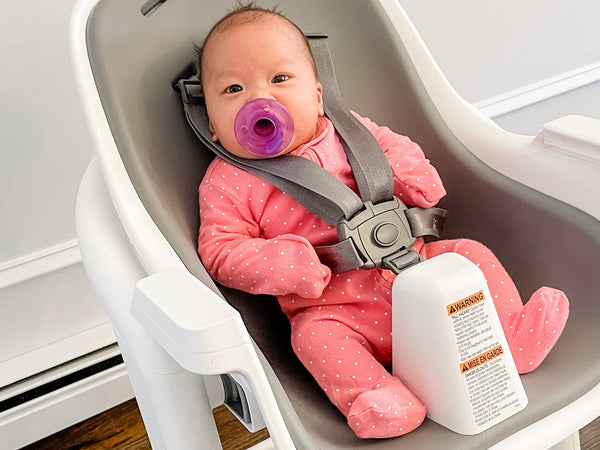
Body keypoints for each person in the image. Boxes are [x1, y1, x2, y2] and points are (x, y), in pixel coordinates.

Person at [196, 3, 569, 439]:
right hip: (333, 307)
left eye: (280, 79)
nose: (261, 99)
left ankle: (509, 338)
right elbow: (220, 250)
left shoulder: (349, 130)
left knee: (470, 255)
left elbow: (395, 148)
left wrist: (412, 178)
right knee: (313, 340)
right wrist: (287, 263)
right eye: (234, 88)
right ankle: (379, 397)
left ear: (317, 95)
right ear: (214, 126)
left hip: (419, 269)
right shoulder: (228, 181)